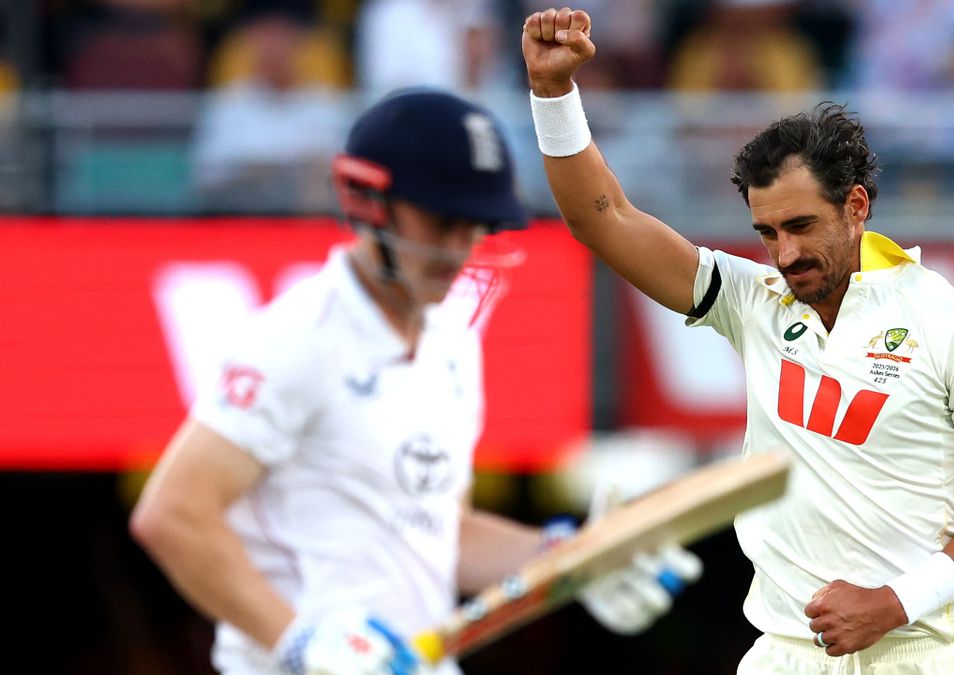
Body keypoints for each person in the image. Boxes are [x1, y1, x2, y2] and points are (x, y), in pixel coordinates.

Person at [521, 8, 954, 674]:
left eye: (801, 224)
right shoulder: (753, 302)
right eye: (768, 232)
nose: (785, 253)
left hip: (921, 653)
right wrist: (553, 93)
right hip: (782, 655)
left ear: (857, 206)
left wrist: (893, 601)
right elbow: (603, 220)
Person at [130, 87, 700, 675]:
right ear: (368, 199)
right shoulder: (298, 338)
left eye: (474, 225)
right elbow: (173, 513)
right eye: (442, 220)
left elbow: (439, 534)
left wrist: (571, 557)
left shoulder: (452, 342)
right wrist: (298, 640)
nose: (458, 249)